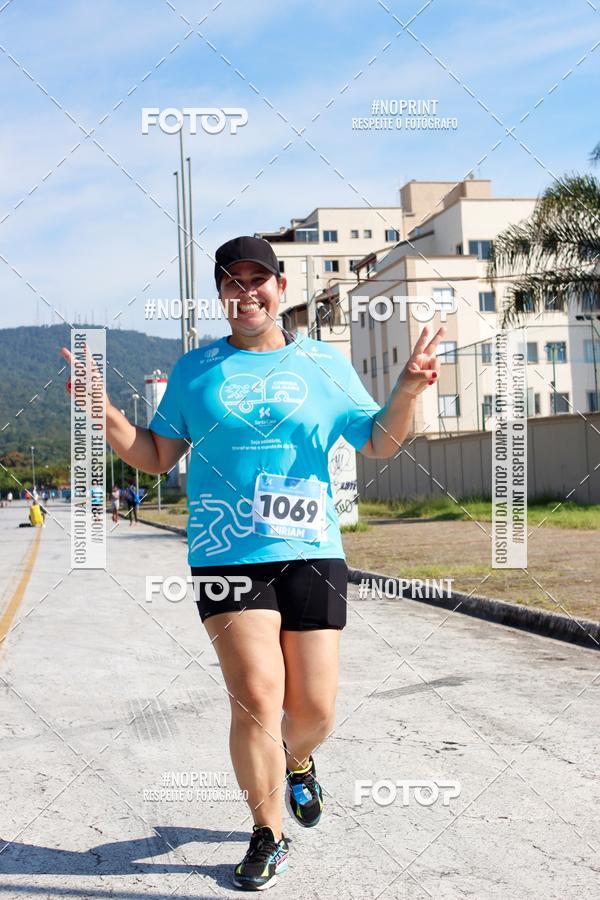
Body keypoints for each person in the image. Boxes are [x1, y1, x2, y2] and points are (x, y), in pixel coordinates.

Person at [61, 235, 444, 892]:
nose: (246, 293)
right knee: (258, 698)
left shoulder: (324, 365)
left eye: (257, 280)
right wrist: (106, 415)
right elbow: (156, 456)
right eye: (232, 283)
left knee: (315, 709)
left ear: (281, 288)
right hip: (226, 550)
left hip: (313, 552)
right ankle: (267, 831)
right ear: (219, 296)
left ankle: (297, 762)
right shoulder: (195, 370)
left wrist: (407, 388)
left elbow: (378, 440)